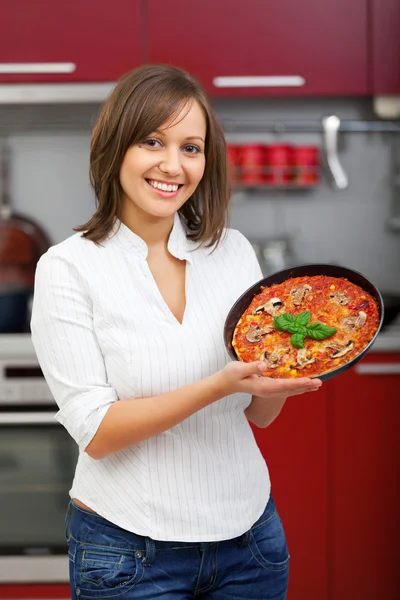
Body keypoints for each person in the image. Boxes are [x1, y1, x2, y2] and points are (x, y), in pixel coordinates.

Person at [31, 64, 322, 600]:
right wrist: (221, 384)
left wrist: (278, 379)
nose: (173, 165)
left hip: (249, 541)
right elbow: (97, 434)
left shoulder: (232, 251)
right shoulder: (68, 267)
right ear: (117, 146)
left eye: (192, 147)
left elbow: (257, 413)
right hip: (127, 551)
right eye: (152, 141)